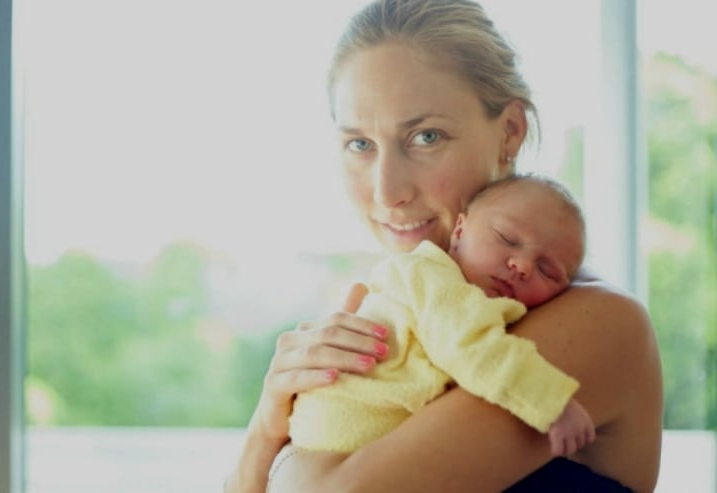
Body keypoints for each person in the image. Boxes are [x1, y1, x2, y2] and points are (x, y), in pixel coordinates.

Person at [225, 1, 663, 492]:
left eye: (425, 136)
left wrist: (282, 457)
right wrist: (267, 424)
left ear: (510, 132)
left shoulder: (599, 323)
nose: (387, 190)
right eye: (359, 144)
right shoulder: (397, 312)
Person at [288, 174, 595, 459]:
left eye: (547, 270)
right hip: (345, 427)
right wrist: (553, 403)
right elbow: (472, 348)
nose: (523, 265)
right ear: (460, 232)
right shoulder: (432, 277)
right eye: (507, 239)